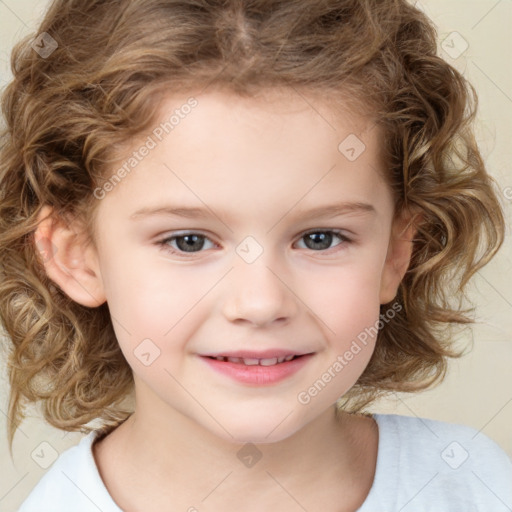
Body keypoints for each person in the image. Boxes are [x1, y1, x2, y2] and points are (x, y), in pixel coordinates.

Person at [1, 0, 511, 510]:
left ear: (398, 253)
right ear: (77, 257)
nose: (262, 302)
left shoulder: (477, 484)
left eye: (320, 238)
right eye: (189, 241)